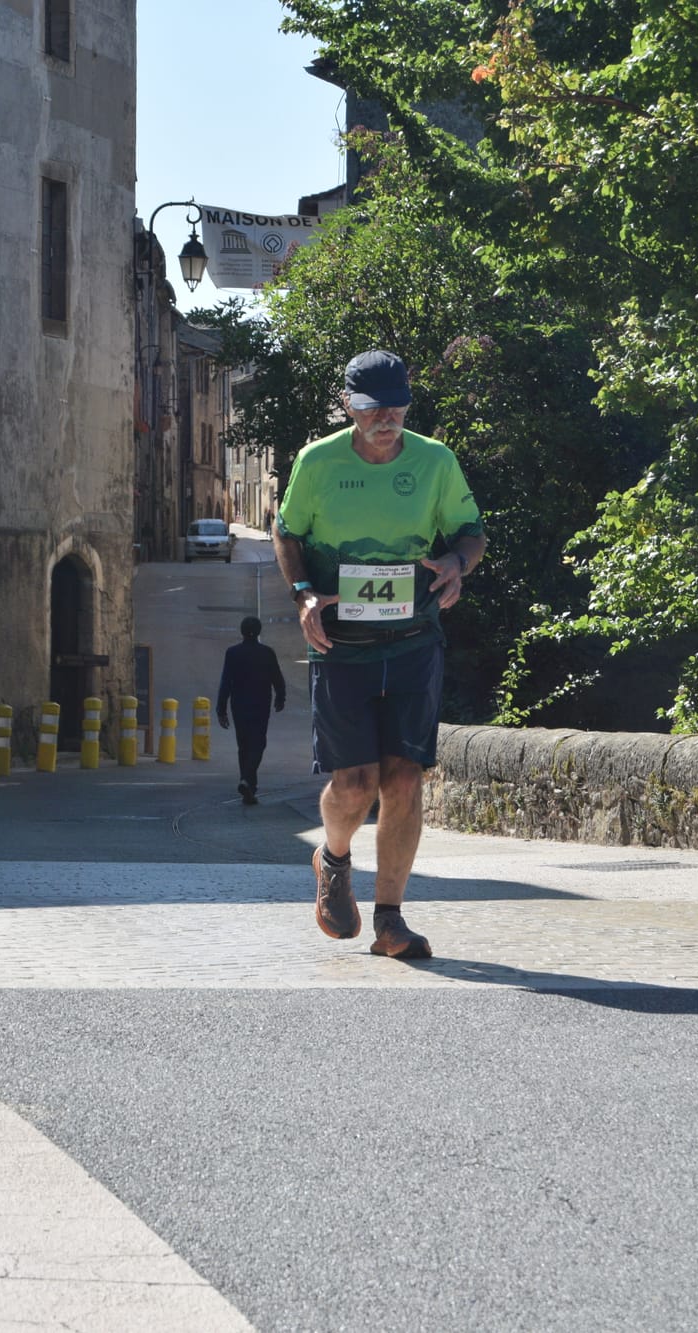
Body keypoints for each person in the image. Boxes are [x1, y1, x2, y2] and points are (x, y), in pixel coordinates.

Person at [273, 349, 487, 959]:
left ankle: (390, 918)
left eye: (396, 405)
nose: (385, 418)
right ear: (348, 407)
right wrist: (304, 594)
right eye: (370, 408)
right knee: (355, 783)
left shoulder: (434, 462)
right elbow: (286, 532)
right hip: (341, 643)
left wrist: (455, 562)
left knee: (403, 777)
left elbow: (471, 533)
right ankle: (333, 859)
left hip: (414, 637)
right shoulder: (317, 462)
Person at [215, 614, 286, 805]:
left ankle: (248, 785)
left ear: (241, 632)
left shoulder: (232, 653)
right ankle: (247, 780)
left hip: (239, 705)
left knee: (243, 745)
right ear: (259, 631)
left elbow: (226, 682)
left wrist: (221, 708)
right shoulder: (267, 653)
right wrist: (281, 697)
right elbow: (277, 678)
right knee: (258, 743)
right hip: (260, 704)